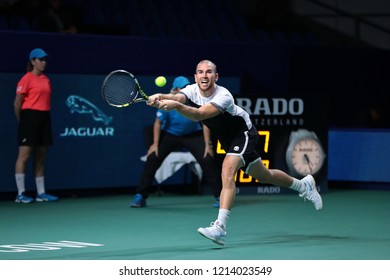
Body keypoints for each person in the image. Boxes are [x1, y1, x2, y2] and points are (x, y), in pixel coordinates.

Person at [147, 60, 323, 246]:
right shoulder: (191, 90)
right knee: (264, 175)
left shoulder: (224, 95)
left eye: (209, 72)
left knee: (227, 169)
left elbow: (200, 114)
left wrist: (175, 107)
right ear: (195, 76)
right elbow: (175, 97)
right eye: (200, 72)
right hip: (228, 140)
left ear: (216, 76)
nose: (204, 76)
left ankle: (220, 228)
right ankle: (304, 186)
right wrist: (157, 97)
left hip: (244, 133)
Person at [130, 76, 222, 208]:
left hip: (193, 135)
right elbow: (158, 123)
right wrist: (155, 145)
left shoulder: (195, 99)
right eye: (182, 88)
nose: (185, 89)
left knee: (207, 159)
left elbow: (205, 122)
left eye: (186, 87)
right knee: (152, 158)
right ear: (175, 89)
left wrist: (208, 144)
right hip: (171, 135)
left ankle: (219, 196)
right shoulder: (167, 102)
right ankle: (140, 196)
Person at [13, 47, 58, 203]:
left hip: (44, 117)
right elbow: (17, 103)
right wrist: (23, 121)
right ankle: (21, 194)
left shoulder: (46, 79)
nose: (44, 63)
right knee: (24, 156)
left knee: (40, 156)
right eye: (40, 59)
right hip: (29, 117)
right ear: (33, 61)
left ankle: (41, 193)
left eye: (45, 60)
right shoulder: (26, 79)